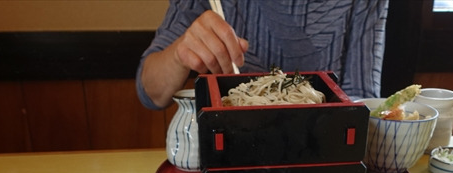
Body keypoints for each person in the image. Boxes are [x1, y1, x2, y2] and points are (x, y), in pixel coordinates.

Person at [136, 0, 389, 110]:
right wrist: (181, 54)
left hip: (318, 152)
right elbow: (150, 92)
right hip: (234, 155)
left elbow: (362, 102)